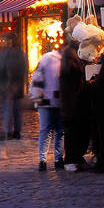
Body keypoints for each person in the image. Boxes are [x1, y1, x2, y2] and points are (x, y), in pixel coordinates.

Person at [58, 21, 90, 172]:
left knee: (78, 130)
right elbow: (71, 70)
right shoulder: (69, 53)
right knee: (72, 131)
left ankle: (76, 157)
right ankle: (70, 159)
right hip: (71, 102)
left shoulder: (73, 52)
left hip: (75, 100)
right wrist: (83, 66)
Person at [30, 42, 64, 170]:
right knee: (60, 131)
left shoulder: (46, 59)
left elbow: (37, 78)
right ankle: (58, 159)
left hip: (45, 101)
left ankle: (43, 160)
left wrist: (37, 97)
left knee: (46, 131)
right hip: (57, 100)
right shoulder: (61, 59)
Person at [0, 32, 28, 140]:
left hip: (8, 86)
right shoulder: (19, 53)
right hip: (16, 86)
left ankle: (9, 132)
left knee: (8, 110)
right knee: (16, 110)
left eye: (6, 40)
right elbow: (24, 69)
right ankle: (16, 131)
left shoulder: (6, 54)